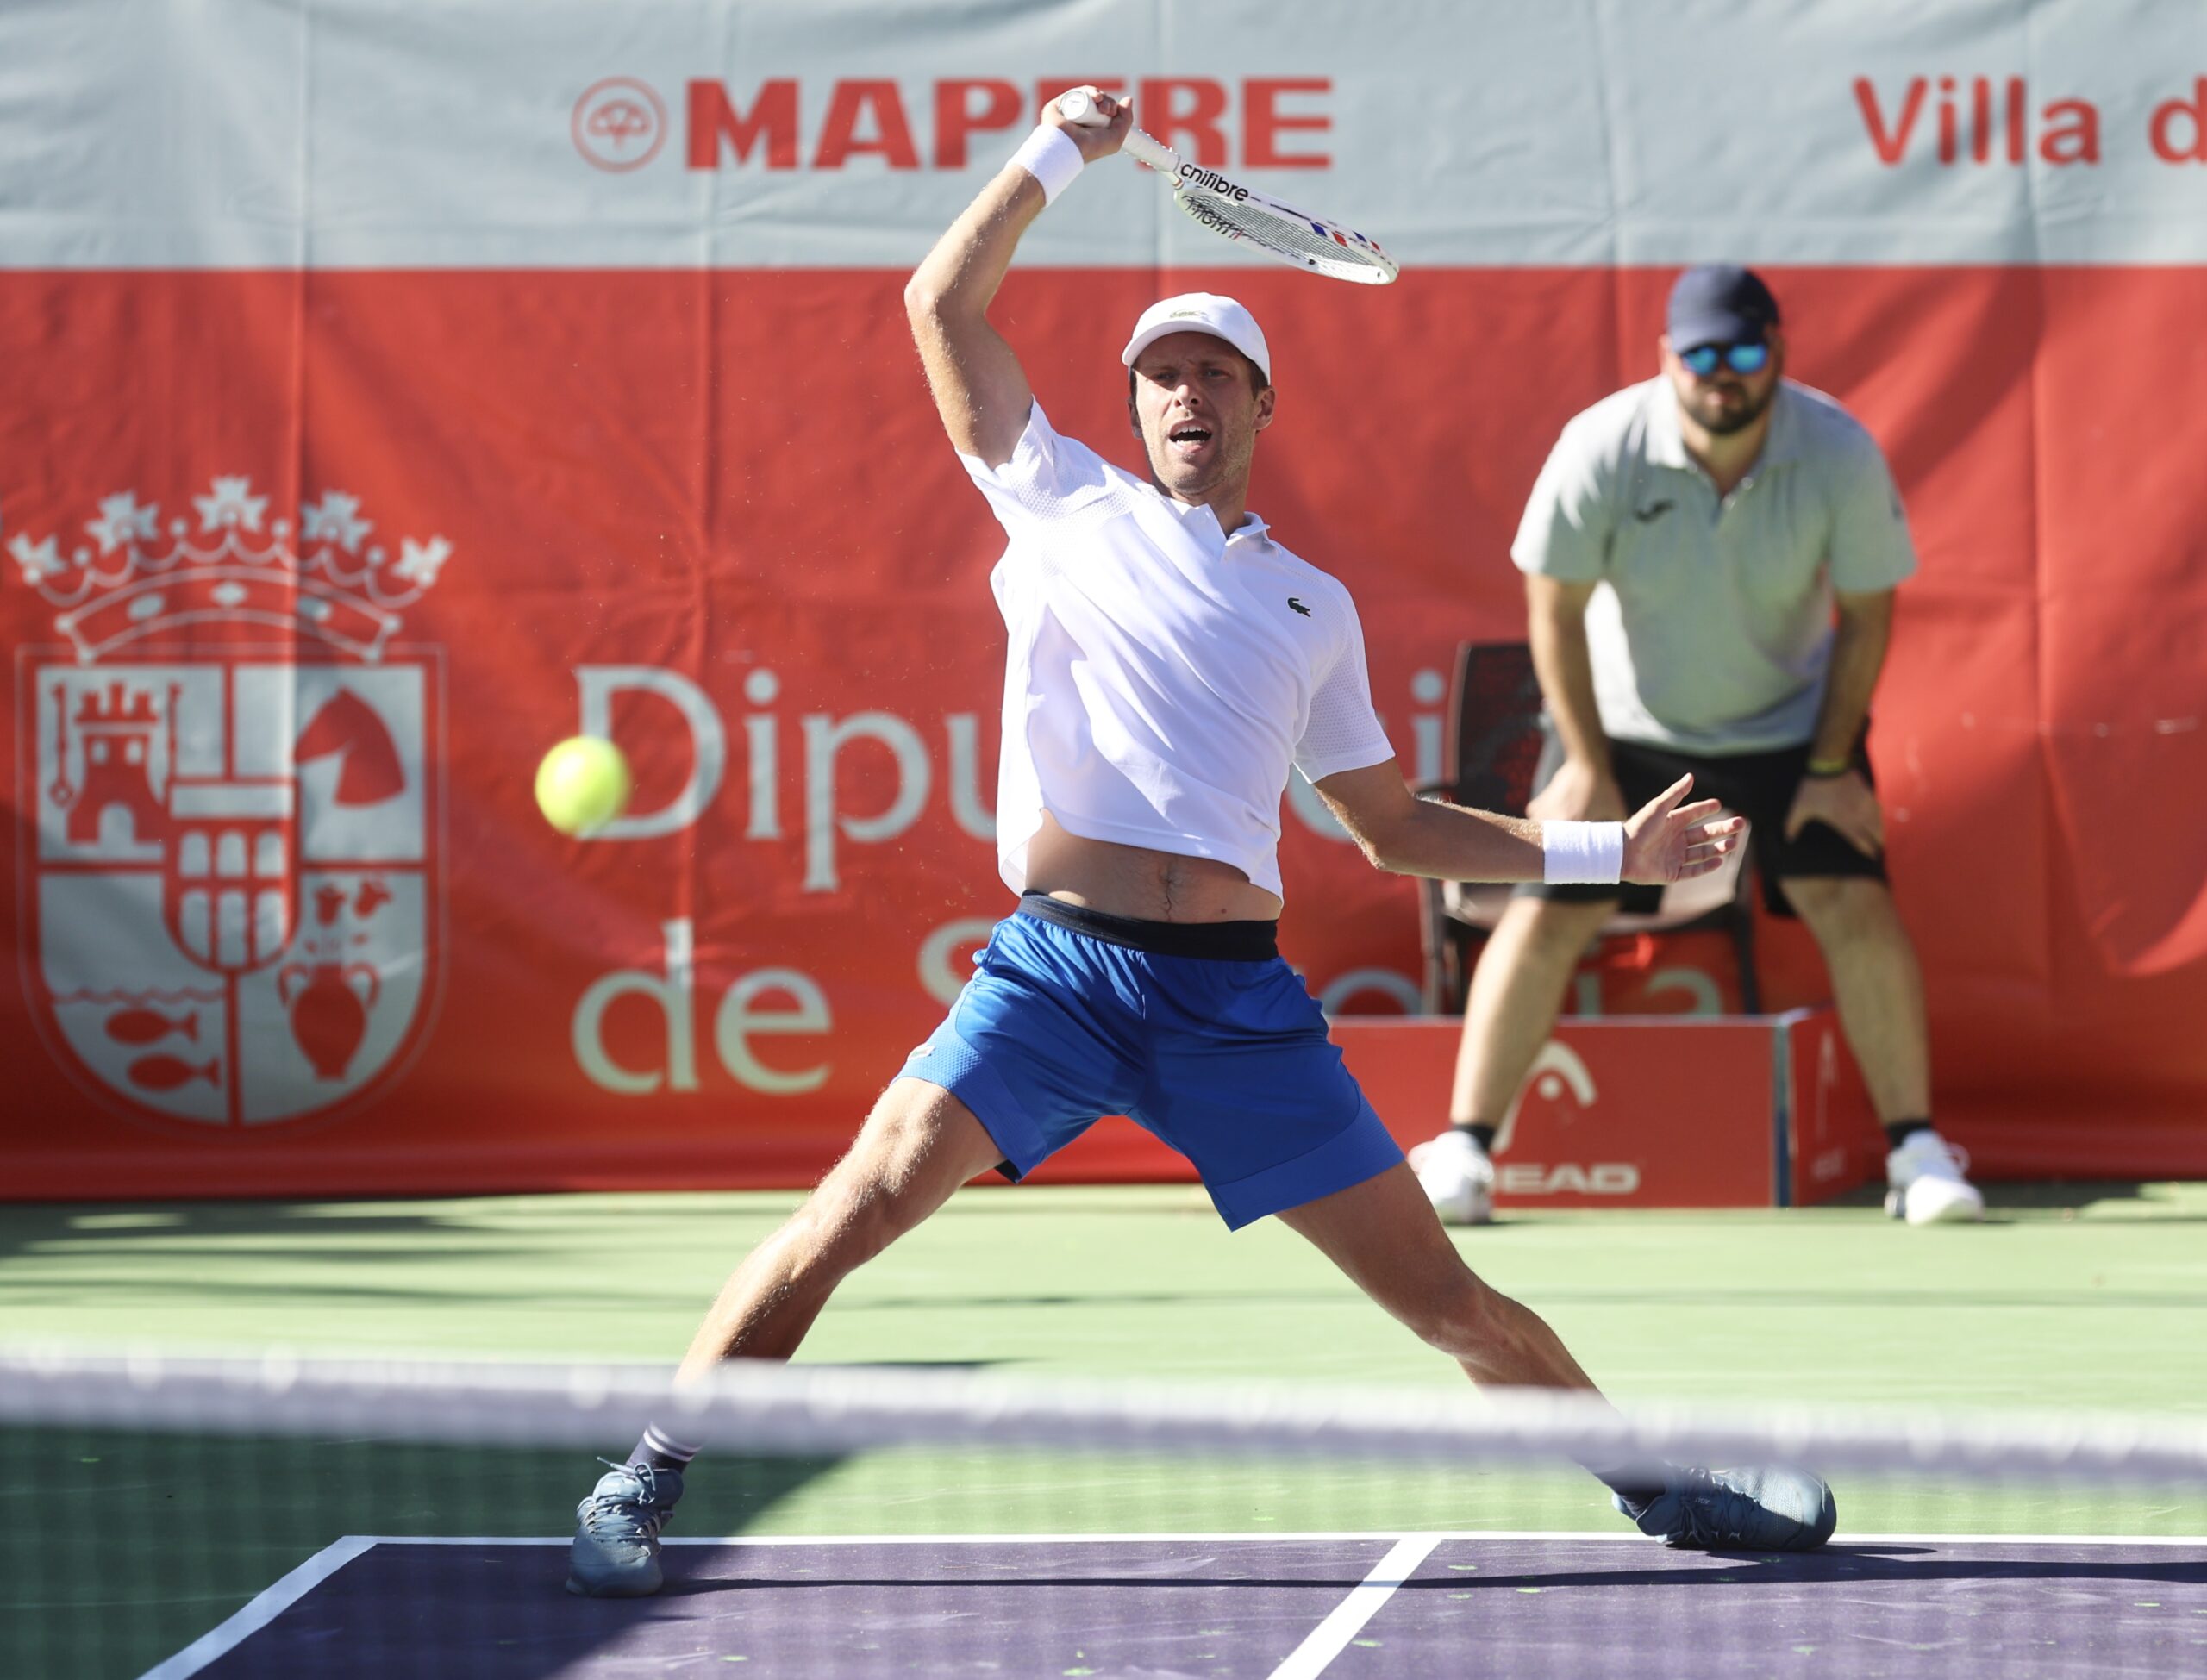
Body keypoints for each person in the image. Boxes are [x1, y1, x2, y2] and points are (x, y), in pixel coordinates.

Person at [566, 97, 1831, 1600]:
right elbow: (939, 303)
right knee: (857, 1200)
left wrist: (1606, 850)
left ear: (1258, 404)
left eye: (1213, 374)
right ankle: (644, 1473)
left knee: (1446, 1298)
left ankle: (1662, 1481)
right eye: (1159, 374)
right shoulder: (1057, 501)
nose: (1183, 396)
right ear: (1132, 404)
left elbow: (1391, 823)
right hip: (1058, 972)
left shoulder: (1314, 607)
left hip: (1237, 1003)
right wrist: (1055, 150)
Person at [1410, 265, 1985, 1230]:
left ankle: (1916, 1152)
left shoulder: (1837, 448)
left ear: (1778, 356)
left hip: (1793, 731)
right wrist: (1585, 761)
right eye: (1704, 354)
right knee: (1551, 910)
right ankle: (1466, 1147)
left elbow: (1867, 614)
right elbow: (1552, 607)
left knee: (1854, 897)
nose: (1725, 374)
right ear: (1668, 360)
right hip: (1626, 731)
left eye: (1745, 352)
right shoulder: (1601, 443)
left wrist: (1833, 765)